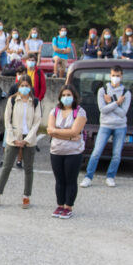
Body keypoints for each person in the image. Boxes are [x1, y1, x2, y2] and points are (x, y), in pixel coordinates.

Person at [0, 75, 42, 209]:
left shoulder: (35, 102)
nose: (24, 88)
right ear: (18, 87)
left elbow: (37, 123)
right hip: (13, 137)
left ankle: (26, 196)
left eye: (27, 86)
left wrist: (26, 140)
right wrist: (13, 139)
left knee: (28, 168)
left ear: (30, 87)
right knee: (6, 167)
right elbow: (7, 121)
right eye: (22, 86)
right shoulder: (12, 100)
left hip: (28, 139)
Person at [80, 65, 131, 188]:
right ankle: (88, 177)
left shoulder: (126, 93)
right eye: (113, 75)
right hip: (105, 125)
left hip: (120, 126)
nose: (115, 78)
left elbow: (123, 113)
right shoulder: (103, 90)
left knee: (117, 154)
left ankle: (110, 176)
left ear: (122, 76)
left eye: (118, 76)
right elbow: (102, 109)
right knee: (96, 152)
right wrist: (117, 103)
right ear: (110, 75)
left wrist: (111, 103)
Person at [47, 85, 87, 219]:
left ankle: (68, 206)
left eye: (69, 95)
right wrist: (69, 136)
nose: (66, 98)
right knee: (59, 180)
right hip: (56, 151)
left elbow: (75, 131)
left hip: (73, 152)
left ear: (74, 96)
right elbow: (49, 130)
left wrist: (57, 132)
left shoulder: (80, 112)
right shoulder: (55, 111)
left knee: (70, 179)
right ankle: (60, 205)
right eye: (63, 95)